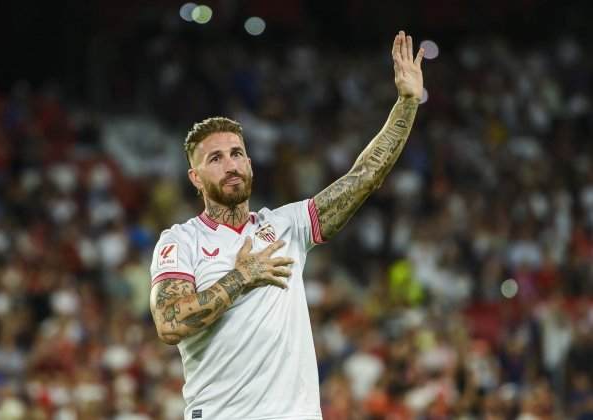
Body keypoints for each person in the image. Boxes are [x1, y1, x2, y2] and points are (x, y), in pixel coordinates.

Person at [149, 30, 425, 420]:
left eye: (236, 154)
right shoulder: (180, 241)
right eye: (215, 159)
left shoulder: (286, 225)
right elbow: (169, 322)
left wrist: (407, 104)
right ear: (195, 177)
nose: (229, 164)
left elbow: (364, 176)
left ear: (249, 163)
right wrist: (242, 276)